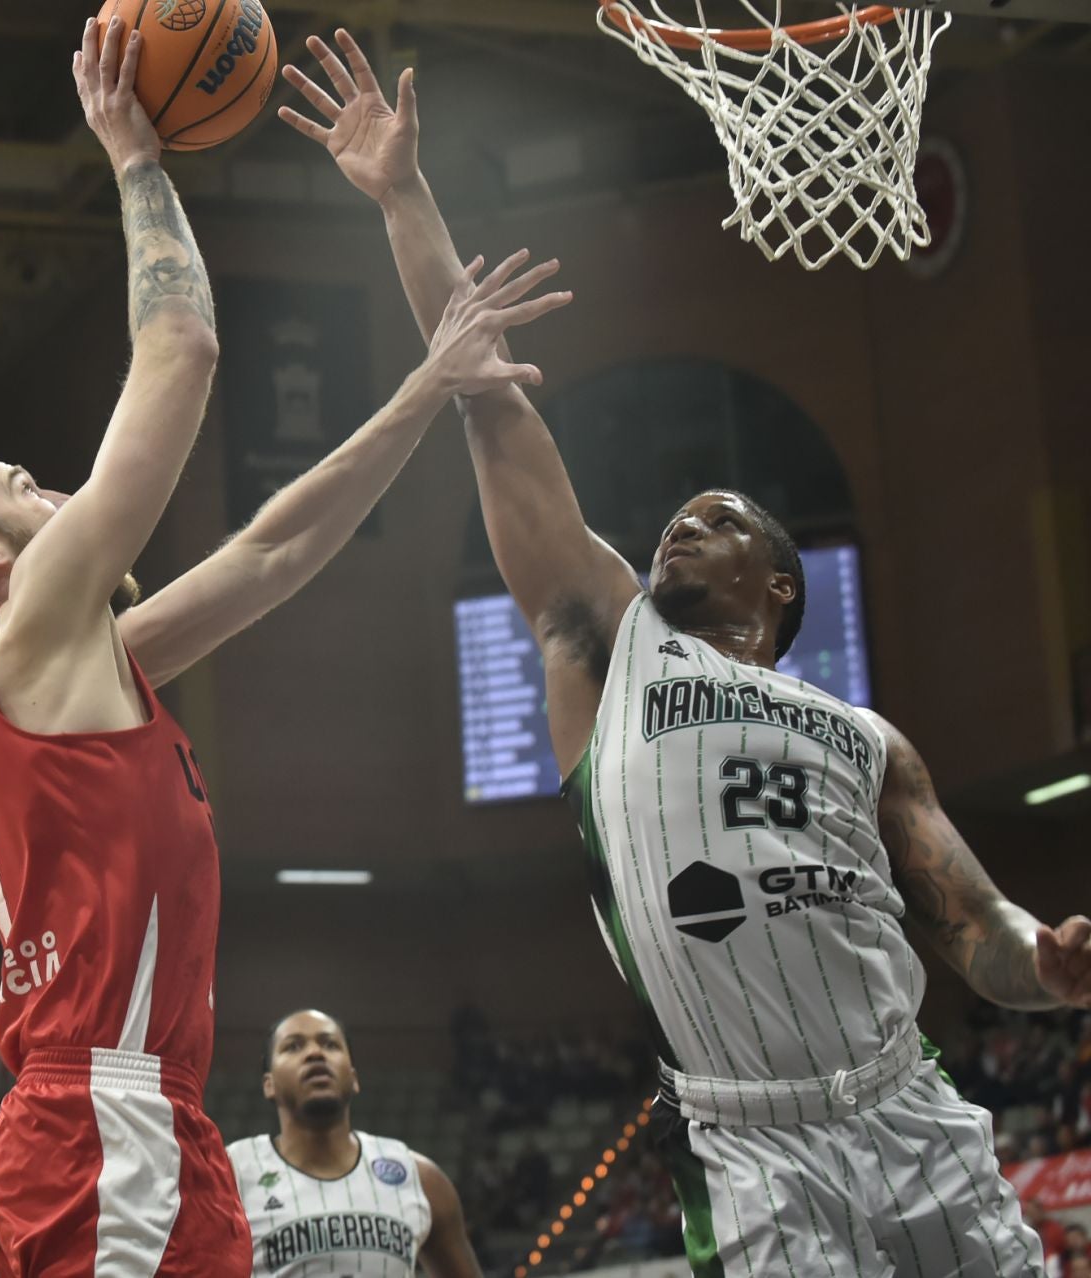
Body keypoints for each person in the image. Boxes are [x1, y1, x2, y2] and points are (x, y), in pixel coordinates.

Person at [277, 28, 1091, 1277]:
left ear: (776, 583)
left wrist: (1046, 962)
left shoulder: (870, 741)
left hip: (910, 1111)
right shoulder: (616, 645)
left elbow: (971, 923)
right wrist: (402, 195)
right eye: (677, 514)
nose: (679, 522)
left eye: (717, 519)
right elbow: (491, 396)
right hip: (746, 1137)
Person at [0, 16, 568, 1278]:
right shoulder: (29, 628)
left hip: (152, 1119)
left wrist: (431, 381)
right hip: (103, 1116)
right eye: (25, 486)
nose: (55, 492)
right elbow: (182, 349)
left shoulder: (79, 665)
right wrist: (138, 156)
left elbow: (271, 555)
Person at [227, 1011, 480, 1278]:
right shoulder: (230, 1174)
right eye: (294, 1046)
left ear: (354, 1077)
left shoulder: (421, 1179)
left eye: (330, 1044)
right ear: (269, 1084)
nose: (315, 1053)